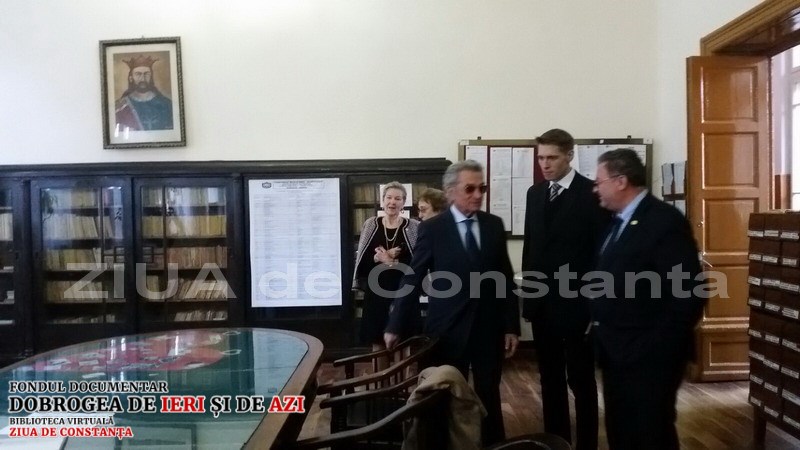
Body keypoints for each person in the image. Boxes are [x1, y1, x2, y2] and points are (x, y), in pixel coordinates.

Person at [384, 160, 520, 445]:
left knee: (489, 397)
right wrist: (395, 324)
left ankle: (492, 445)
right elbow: (413, 277)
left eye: (482, 188)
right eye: (470, 188)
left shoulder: (493, 226)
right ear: (450, 192)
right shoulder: (433, 229)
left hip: (488, 329)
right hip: (447, 330)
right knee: (443, 398)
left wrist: (511, 326)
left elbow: (505, 279)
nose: (478, 194)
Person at [590, 148, 704, 450]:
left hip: (649, 358)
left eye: (599, 182)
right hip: (618, 353)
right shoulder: (616, 222)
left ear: (620, 181)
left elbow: (688, 293)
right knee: (622, 431)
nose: (595, 189)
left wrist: (654, 347)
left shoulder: (662, 221)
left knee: (651, 433)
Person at [520, 128, 608, 450]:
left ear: (570, 155)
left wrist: (595, 307)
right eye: (541, 157)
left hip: (578, 307)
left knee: (581, 381)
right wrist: (529, 301)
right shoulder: (534, 194)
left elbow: (601, 256)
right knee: (549, 379)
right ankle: (556, 442)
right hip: (543, 305)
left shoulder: (592, 194)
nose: (545, 164)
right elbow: (531, 249)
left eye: (552, 158)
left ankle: (587, 444)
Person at [353, 182, 419, 351]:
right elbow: (362, 263)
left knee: (404, 342)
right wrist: (377, 258)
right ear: (383, 200)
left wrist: (390, 261)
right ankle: (379, 370)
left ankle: (403, 370)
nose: (392, 202)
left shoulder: (414, 227)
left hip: (404, 293)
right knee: (377, 342)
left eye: (398, 198)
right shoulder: (371, 224)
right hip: (377, 292)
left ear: (403, 203)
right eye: (389, 197)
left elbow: (417, 264)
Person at [115, 54, 174, 131]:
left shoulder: (166, 105)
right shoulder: (121, 107)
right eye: (138, 74)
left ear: (151, 77)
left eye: (146, 74)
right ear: (131, 78)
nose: (143, 78)